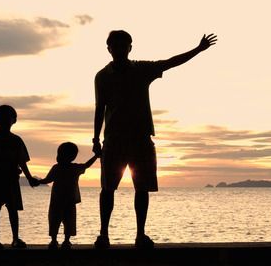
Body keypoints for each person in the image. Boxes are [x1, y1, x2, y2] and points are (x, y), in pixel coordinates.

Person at [92, 30, 217, 249]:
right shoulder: (102, 76)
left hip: (141, 138)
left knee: (142, 188)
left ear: (130, 47)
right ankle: (103, 234)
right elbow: (99, 108)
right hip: (114, 139)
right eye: (115, 46)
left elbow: (170, 62)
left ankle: (140, 234)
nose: (120, 49)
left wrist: (198, 49)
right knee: (107, 188)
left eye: (124, 46)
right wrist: (95, 138)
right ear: (109, 48)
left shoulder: (142, 69)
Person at [0, 105, 39, 249]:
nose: (5, 121)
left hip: (10, 177)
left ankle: (13, 238)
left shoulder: (15, 140)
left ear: (14, 120)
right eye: (2, 119)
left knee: (11, 209)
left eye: (7, 118)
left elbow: (22, 162)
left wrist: (30, 178)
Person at [36, 142, 98, 250]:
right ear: (73, 156)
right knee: (68, 221)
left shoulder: (56, 167)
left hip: (57, 200)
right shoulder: (74, 168)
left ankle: (54, 241)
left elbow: (47, 180)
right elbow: (86, 165)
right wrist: (96, 156)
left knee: (54, 220)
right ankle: (66, 241)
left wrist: (37, 182)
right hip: (69, 200)